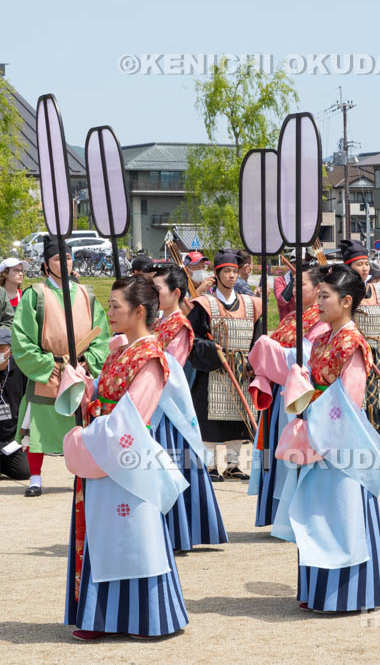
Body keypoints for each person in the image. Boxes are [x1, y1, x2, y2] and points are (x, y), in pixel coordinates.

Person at [60, 276, 190, 640]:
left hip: (128, 454)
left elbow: (133, 414)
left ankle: (147, 617)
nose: (109, 312)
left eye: (116, 305)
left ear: (140, 311)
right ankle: (98, 616)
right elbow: (103, 398)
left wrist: (91, 434)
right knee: (105, 535)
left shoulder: (151, 357)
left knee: (136, 536)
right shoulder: (118, 351)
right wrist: (84, 387)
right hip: (105, 447)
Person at [268, 263, 380, 612]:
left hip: (339, 440)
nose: (318, 302)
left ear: (347, 301)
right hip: (317, 429)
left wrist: (315, 419)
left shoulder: (352, 342)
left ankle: (349, 594)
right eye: (318, 294)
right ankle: (318, 589)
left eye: (325, 296)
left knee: (340, 514)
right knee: (316, 514)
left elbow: (349, 401)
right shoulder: (322, 338)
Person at [12, 237, 109, 497]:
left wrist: (89, 360)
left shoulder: (86, 294)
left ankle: (82, 473)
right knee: (38, 426)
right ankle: (35, 477)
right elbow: (21, 337)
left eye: (67, 258)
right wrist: (45, 364)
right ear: (46, 265)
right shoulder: (36, 295)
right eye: (57, 259)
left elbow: (101, 334)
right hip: (49, 368)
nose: (64, 263)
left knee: (81, 424)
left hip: (79, 369)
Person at [152, 265, 228, 550]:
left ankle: (181, 532)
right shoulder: (158, 323)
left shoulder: (180, 325)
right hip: (158, 400)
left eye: (157, 289)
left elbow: (173, 367)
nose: (152, 293)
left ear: (175, 293)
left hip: (170, 406)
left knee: (174, 464)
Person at [248, 263, 329, 529]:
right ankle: (278, 513)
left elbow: (308, 358)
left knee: (294, 453)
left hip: (299, 397)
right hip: (279, 394)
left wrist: (271, 352)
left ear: (318, 288)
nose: (294, 289)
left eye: (301, 284)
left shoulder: (321, 319)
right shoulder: (292, 318)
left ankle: (296, 515)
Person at [187, 249, 262, 481]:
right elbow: (192, 337)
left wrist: (254, 364)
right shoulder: (204, 305)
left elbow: (258, 339)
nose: (231, 276)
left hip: (240, 369)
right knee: (209, 419)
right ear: (217, 274)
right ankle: (209, 464)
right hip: (213, 369)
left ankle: (234, 463)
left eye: (234, 271)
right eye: (226, 271)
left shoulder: (251, 305)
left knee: (237, 419)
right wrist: (210, 350)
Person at [338, 240, 380, 443]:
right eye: (359, 264)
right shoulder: (340, 293)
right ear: (348, 266)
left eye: (366, 263)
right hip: (351, 357)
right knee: (354, 401)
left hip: (376, 356)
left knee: (376, 402)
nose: (364, 268)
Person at [0, 328, 28, 481]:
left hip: (13, 439)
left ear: (10, 350)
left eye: (1, 348)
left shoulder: (21, 370)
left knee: (24, 471)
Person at [274, 250, 298, 320]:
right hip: (287, 325)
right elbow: (282, 301)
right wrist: (294, 279)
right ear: (293, 264)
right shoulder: (280, 280)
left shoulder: (310, 281)